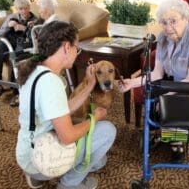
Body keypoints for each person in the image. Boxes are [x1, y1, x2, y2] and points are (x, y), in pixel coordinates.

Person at [16, 21, 116, 189]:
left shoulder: (35, 70)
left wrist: (89, 86)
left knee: (100, 158)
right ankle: (68, 184)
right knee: (107, 131)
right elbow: (67, 136)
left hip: (28, 152)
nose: (77, 52)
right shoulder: (51, 83)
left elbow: (62, 109)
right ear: (65, 47)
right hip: (40, 159)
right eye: (77, 48)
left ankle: (39, 177)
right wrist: (95, 118)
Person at [119, 0, 189, 161]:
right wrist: (132, 82)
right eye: (164, 22)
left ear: (186, 18)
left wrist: (166, 96)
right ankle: (170, 133)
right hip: (179, 80)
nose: (168, 27)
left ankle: (178, 139)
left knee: (167, 100)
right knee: (155, 95)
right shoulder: (163, 38)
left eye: (173, 21)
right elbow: (157, 74)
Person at [0, 0, 37, 107]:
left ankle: (16, 92)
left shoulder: (34, 20)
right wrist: (8, 26)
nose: (24, 11)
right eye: (21, 9)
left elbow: (34, 39)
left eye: (26, 8)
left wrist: (25, 29)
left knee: (16, 58)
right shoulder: (12, 17)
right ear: (17, 9)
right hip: (8, 42)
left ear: (29, 7)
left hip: (22, 45)